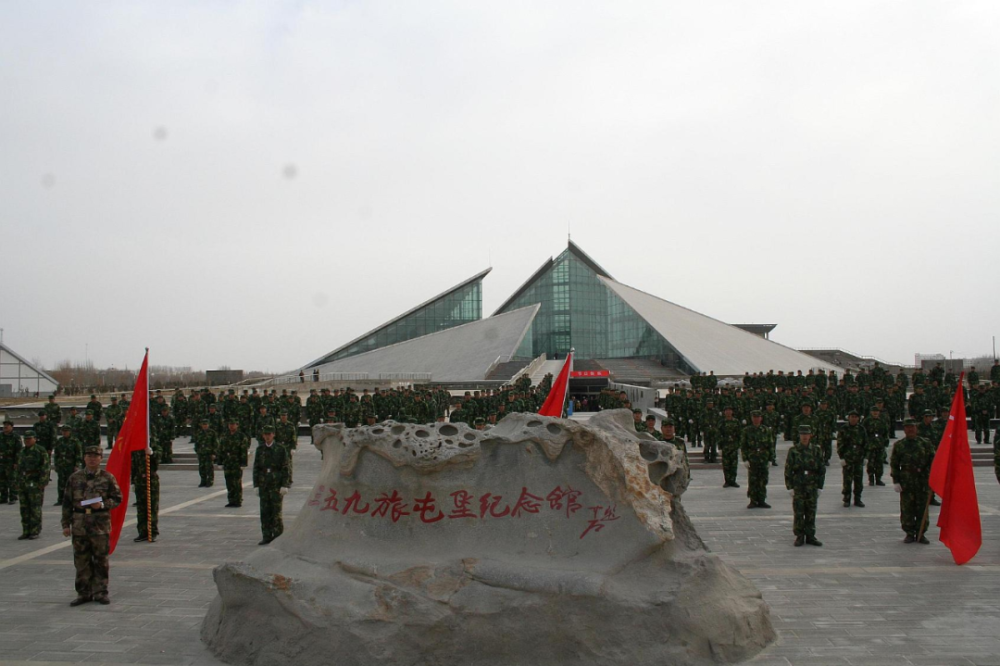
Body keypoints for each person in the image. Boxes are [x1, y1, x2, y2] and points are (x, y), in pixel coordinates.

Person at [61, 445, 123, 606]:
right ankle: (83, 593)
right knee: (81, 560)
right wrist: (65, 524)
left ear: (100, 458)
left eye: (95, 456)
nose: (92, 459)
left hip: (99, 524)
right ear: (84, 458)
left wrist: (102, 505)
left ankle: (100, 592)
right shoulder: (75, 478)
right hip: (80, 523)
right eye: (89, 456)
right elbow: (67, 502)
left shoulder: (107, 477)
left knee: (101, 560)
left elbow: (117, 498)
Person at [890, 419, 935, 544]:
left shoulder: (925, 443)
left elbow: (933, 461)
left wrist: (932, 477)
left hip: (922, 482)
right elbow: (894, 464)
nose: (910, 429)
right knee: (907, 509)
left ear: (916, 428)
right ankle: (909, 533)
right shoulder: (899, 445)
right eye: (907, 427)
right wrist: (896, 481)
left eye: (912, 427)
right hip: (906, 482)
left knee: (922, 509)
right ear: (904, 429)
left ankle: (921, 533)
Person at [784, 425, 825, 547]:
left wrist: (820, 486)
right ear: (799, 436)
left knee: (811, 511)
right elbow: (788, 469)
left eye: (806, 434)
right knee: (799, 511)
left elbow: (821, 469)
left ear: (810, 435)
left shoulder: (816, 450)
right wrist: (790, 487)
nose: (804, 437)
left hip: (812, 485)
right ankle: (800, 535)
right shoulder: (793, 450)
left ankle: (811, 535)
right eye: (802, 434)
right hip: (799, 485)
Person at [253, 426, 290, 545]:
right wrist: (256, 485)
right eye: (265, 434)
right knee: (265, 511)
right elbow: (256, 468)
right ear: (263, 436)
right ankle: (267, 535)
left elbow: (285, 468)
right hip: (264, 484)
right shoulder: (260, 450)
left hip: (276, 484)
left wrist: (285, 484)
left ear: (273, 435)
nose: (267, 436)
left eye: (269, 434)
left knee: (276, 512)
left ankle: (278, 536)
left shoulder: (280, 449)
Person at [17, 431, 50, 539]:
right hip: (24, 482)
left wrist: (42, 483)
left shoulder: (40, 451)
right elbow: (19, 468)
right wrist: (17, 482)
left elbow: (45, 467)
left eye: (29, 439)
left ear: (35, 439)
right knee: (24, 507)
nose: (27, 441)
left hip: (35, 482)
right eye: (25, 439)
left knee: (35, 508)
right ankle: (26, 530)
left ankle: (35, 530)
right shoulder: (22, 451)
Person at [740, 410, 772, 508]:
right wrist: (745, 459)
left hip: (763, 458)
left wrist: (771, 459)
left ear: (761, 418)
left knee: (763, 479)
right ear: (751, 418)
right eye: (754, 417)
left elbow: (770, 445)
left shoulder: (766, 430)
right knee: (753, 480)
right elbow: (743, 446)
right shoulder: (747, 430)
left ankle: (762, 500)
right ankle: (753, 500)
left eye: (758, 417)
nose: (756, 419)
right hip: (752, 458)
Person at [837, 410, 867, 508]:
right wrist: (841, 457)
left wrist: (866, 457)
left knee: (858, 480)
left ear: (858, 418)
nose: (853, 418)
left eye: (855, 417)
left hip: (858, 458)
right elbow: (840, 444)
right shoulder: (844, 429)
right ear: (848, 418)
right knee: (847, 480)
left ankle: (857, 499)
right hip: (848, 458)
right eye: (852, 416)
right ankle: (847, 498)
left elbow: (865, 444)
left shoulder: (862, 429)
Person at [134, 441, 160, 542]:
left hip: (151, 480)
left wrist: (152, 454)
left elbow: (159, 457)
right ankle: (142, 531)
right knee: (141, 507)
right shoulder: (136, 446)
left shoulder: (153, 444)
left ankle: (152, 531)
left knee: (152, 506)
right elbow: (133, 464)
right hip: (139, 480)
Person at [220, 419, 249, 508]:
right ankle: (231, 500)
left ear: (237, 425)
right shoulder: (225, 435)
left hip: (236, 462)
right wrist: (220, 461)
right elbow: (221, 449)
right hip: (227, 462)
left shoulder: (241, 436)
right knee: (229, 481)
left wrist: (243, 463)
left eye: (233, 424)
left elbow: (243, 450)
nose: (231, 426)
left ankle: (238, 500)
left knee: (236, 482)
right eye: (230, 424)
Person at [53, 424, 83, 505]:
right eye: (63, 431)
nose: (64, 433)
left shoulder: (75, 441)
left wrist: (77, 465)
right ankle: (60, 499)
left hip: (71, 466)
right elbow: (56, 454)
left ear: (70, 432)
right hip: (61, 465)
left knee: (71, 483)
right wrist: (56, 464)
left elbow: (78, 454)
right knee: (61, 483)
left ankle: (71, 499)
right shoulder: (59, 441)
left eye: (66, 431)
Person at [0, 420, 23, 504]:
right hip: (2, 461)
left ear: (11, 427)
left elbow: (19, 450)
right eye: (4, 425)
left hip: (11, 461)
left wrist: (16, 462)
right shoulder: (1, 436)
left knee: (12, 479)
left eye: (7, 425)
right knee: (2, 480)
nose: (5, 427)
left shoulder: (15, 437)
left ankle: (13, 496)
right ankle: (3, 497)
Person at [193, 418, 218, 488]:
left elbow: (215, 444)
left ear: (208, 425)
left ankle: (210, 481)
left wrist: (214, 453)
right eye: (203, 424)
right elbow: (197, 443)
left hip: (209, 453)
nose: (205, 426)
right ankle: (203, 480)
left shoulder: (212, 433)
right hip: (201, 453)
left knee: (209, 468)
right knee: (202, 468)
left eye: (206, 424)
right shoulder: (199, 433)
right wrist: (197, 451)